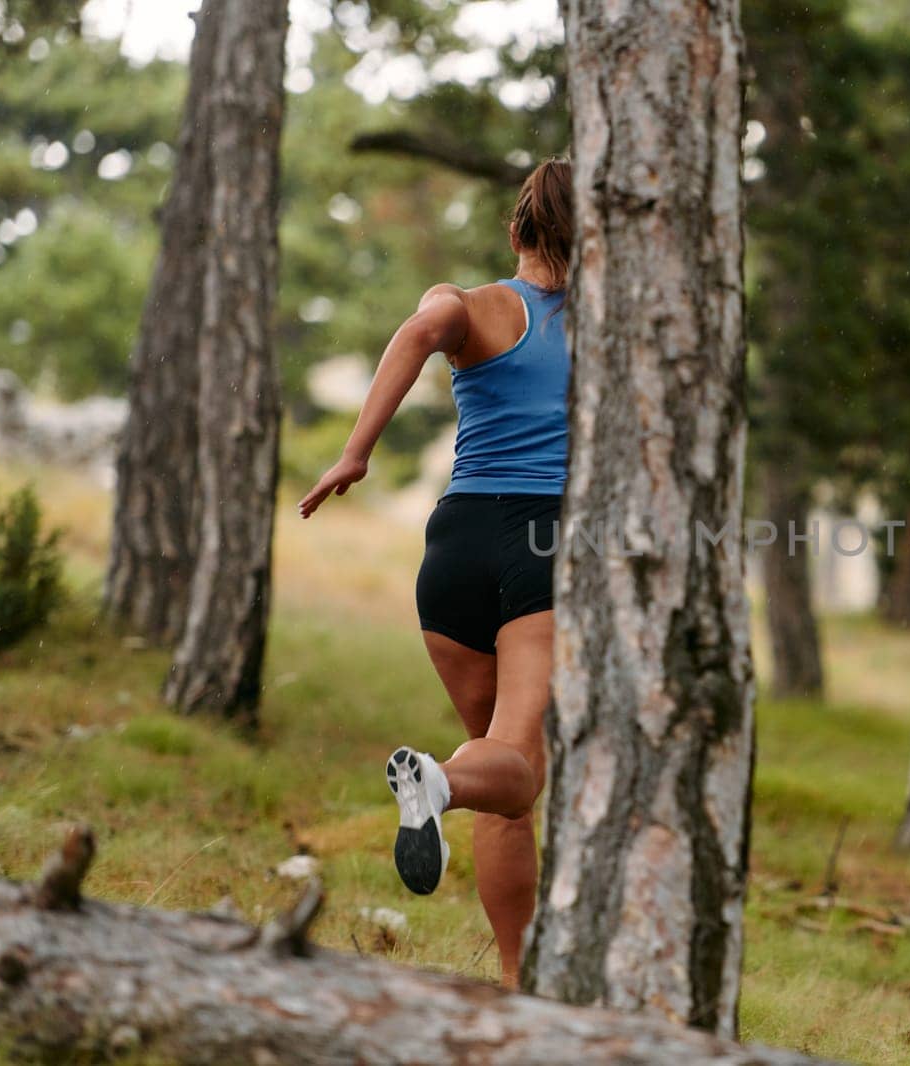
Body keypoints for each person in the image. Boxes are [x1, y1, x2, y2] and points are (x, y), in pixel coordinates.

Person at [298, 158, 572, 989]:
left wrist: (355, 454)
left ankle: (518, 981)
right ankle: (437, 780)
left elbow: (421, 332)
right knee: (513, 765)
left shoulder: (472, 305)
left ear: (516, 230)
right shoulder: (610, 324)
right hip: (543, 538)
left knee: (509, 787)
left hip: (453, 542)